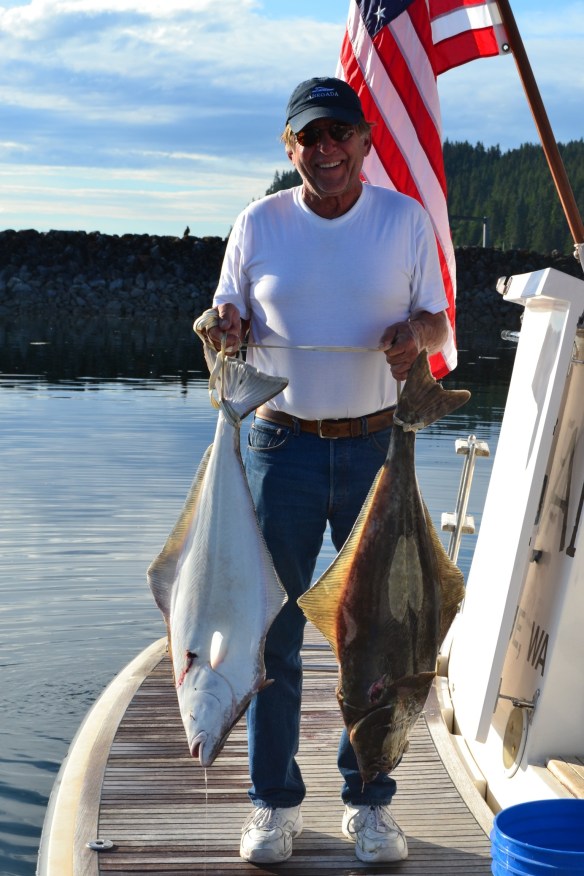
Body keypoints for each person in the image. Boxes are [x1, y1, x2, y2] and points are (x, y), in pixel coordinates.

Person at [197, 76, 449, 865]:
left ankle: (369, 801)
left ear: (365, 143)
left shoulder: (404, 221)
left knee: (375, 634)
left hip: (379, 448)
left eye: (341, 133)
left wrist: (415, 335)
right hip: (280, 451)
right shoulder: (257, 223)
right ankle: (272, 803)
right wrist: (225, 324)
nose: (327, 149)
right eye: (311, 137)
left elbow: (439, 320)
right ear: (290, 148)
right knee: (270, 635)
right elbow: (222, 321)